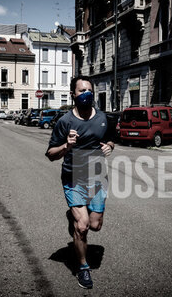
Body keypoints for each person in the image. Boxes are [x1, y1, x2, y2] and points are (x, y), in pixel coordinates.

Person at [46, 75, 114, 289]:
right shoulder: (65, 122)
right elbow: (50, 154)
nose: (86, 94)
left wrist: (110, 146)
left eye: (89, 90)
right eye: (81, 90)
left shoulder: (103, 117)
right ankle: (83, 268)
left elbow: (111, 138)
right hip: (73, 178)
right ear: (73, 95)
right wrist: (67, 146)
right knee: (82, 227)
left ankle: (73, 216)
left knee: (95, 226)